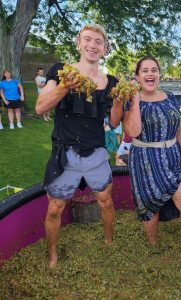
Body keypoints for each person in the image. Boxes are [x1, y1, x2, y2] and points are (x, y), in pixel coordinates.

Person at [35, 24, 123, 268]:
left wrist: (119, 102)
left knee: (105, 201)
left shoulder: (111, 81)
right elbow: (41, 107)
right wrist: (65, 87)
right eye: (88, 40)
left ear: (105, 49)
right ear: (78, 43)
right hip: (65, 152)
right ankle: (52, 255)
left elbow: (114, 121)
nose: (92, 45)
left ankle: (108, 242)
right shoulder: (61, 71)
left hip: (96, 152)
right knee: (55, 208)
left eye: (98, 42)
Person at [124, 56, 181, 252]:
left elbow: (179, 126)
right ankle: (153, 244)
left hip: (172, 157)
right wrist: (135, 100)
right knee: (149, 207)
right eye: (145, 71)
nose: (150, 74)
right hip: (144, 160)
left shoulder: (170, 96)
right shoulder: (130, 100)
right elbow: (132, 132)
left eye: (154, 70)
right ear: (138, 76)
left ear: (159, 74)